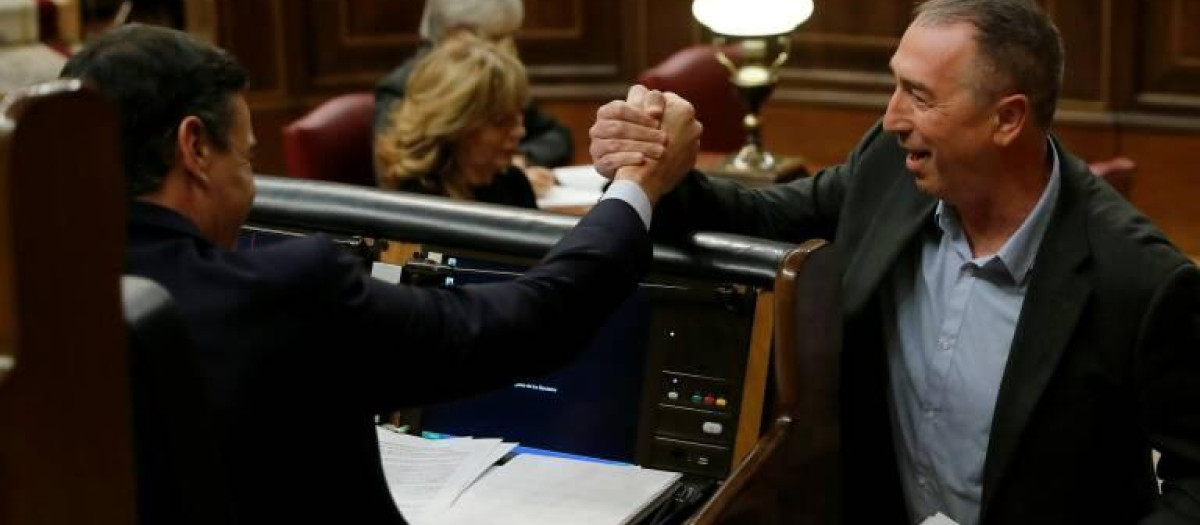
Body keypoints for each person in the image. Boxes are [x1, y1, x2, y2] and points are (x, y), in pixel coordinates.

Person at [590, 0, 1200, 523]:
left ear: (1008, 118)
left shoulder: (1141, 280)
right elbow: (759, 220)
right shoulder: (888, 171)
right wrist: (650, 173)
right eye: (896, 84)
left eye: (919, 96)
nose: (891, 118)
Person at [61, 23, 698, 524]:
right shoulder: (280, 294)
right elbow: (532, 320)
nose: (250, 186)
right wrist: (639, 187)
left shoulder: (34, 305)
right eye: (249, 157)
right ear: (195, 147)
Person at [374, 0, 572, 195]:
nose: (509, 49)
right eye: (497, 38)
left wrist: (520, 158)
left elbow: (556, 136)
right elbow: (395, 170)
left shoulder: (498, 81)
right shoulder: (402, 88)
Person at [375, 33, 536, 208]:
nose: (520, 131)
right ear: (455, 127)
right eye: (501, 122)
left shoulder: (514, 185)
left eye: (519, 116)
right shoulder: (414, 205)